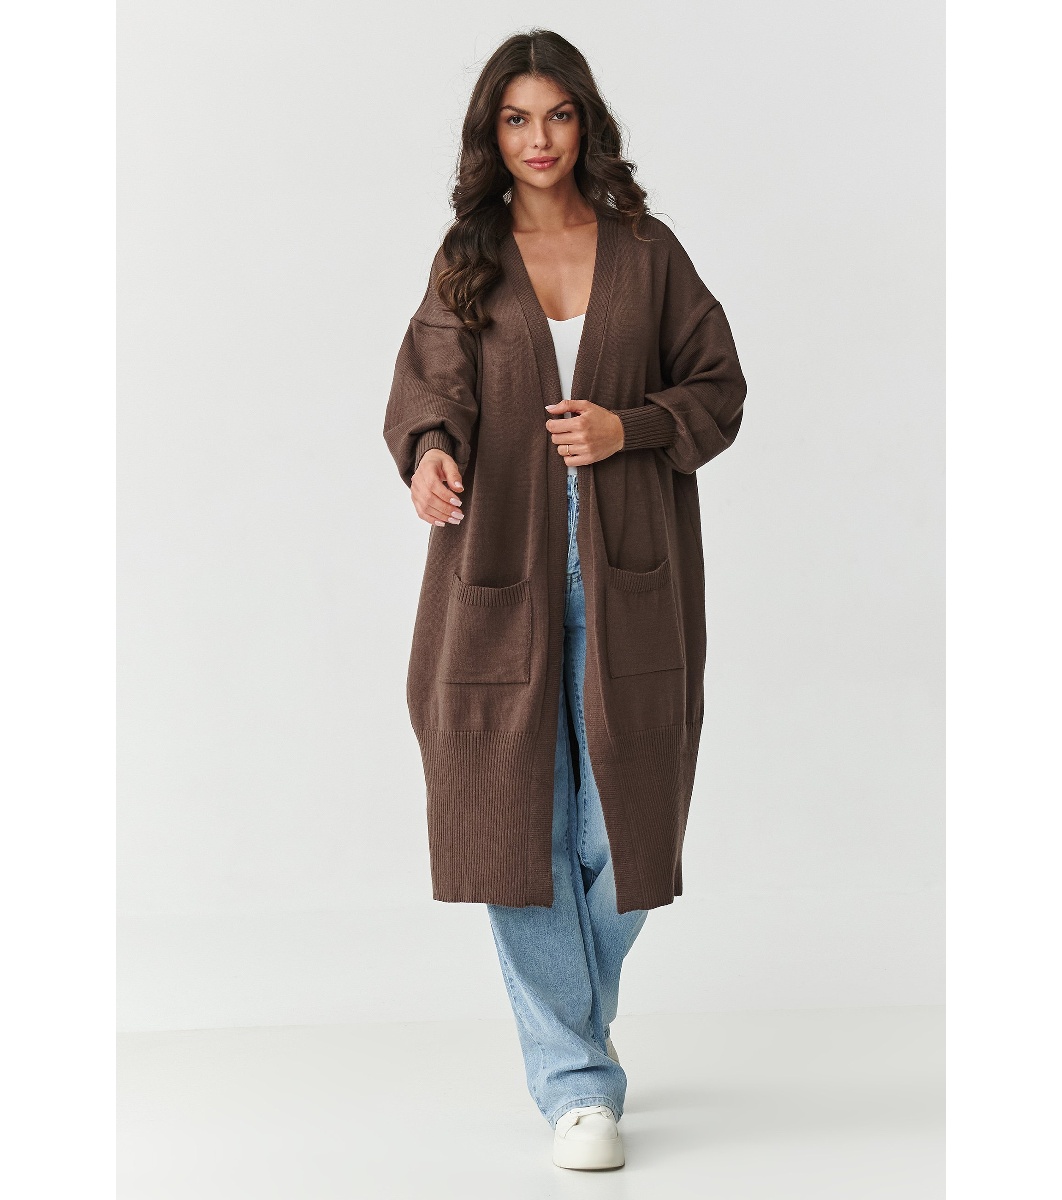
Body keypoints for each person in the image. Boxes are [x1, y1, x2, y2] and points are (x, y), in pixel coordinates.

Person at [383, 29, 746, 1171]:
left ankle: (570, 1031)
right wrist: (431, 455)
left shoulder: (646, 252)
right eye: (515, 119)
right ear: (491, 134)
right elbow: (428, 386)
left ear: (585, 122)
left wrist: (627, 428)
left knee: (620, 831)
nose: (537, 139)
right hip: (498, 588)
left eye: (556, 114)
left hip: (634, 586)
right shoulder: (470, 256)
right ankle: (579, 1085)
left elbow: (720, 387)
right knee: (516, 831)